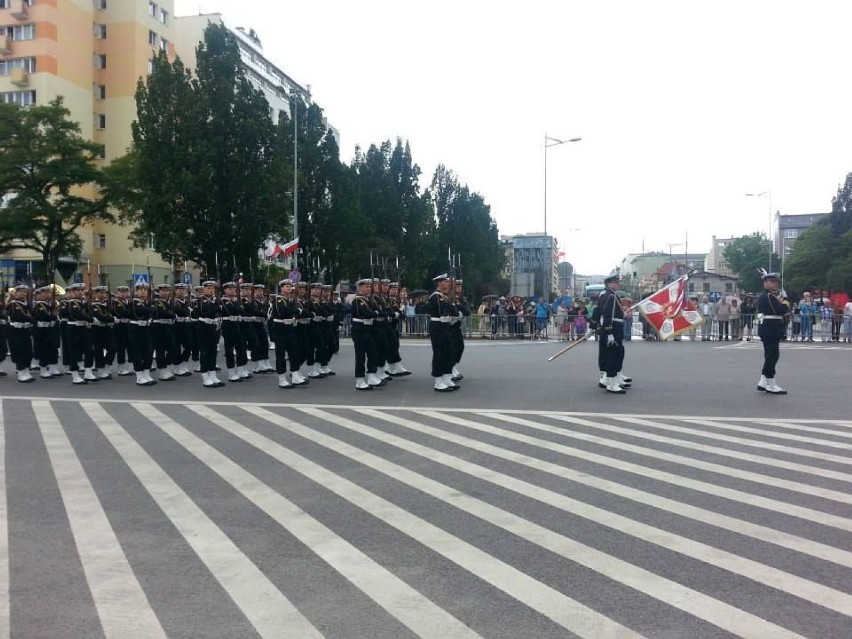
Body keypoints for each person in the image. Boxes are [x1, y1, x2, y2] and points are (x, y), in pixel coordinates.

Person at [591, 273, 630, 393]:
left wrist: (623, 314)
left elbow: (602, 312)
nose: (618, 284)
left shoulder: (609, 295)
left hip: (614, 327)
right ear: (609, 283)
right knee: (613, 356)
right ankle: (611, 384)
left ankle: (610, 380)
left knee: (617, 353)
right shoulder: (610, 296)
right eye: (616, 282)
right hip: (612, 328)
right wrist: (609, 333)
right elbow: (606, 315)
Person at [756, 271, 788, 394]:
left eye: (775, 281)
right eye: (772, 281)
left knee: (770, 356)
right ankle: (770, 383)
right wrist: (784, 300)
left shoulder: (770, 296)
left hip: (769, 328)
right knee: (772, 356)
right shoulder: (768, 296)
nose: (775, 283)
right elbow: (780, 310)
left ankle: (763, 381)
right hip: (770, 329)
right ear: (765, 283)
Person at [427, 273, 458, 392]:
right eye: (445, 281)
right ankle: (438, 381)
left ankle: (446, 377)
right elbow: (450, 309)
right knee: (439, 354)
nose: (448, 284)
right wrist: (453, 307)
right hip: (437, 327)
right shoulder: (436, 296)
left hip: (445, 326)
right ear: (439, 283)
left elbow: (452, 310)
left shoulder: (444, 296)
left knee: (449, 353)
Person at [350, 278, 380, 390]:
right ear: (360, 288)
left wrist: (375, 312)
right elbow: (366, 313)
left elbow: (378, 311)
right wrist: (374, 313)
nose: (368, 289)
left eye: (369, 287)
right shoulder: (358, 300)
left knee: (373, 353)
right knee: (360, 356)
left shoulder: (368, 300)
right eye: (366, 287)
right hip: (359, 329)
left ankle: (372, 375)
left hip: (368, 329)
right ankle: (360, 380)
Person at [196, 280, 224, 388]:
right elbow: (207, 310)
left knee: (213, 352)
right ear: (203, 289)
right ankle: (205, 376)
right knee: (204, 352)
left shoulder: (216, 300)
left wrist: (215, 305)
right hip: (203, 326)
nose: (211, 290)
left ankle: (212, 374)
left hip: (214, 326)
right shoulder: (200, 300)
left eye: (213, 288)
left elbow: (219, 311)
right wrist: (214, 306)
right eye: (208, 288)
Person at [6, 285, 35, 383]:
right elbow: (20, 316)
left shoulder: (26, 303)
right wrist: (33, 320)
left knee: (28, 351)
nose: (23, 294)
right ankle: (21, 373)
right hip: (16, 330)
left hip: (25, 330)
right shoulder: (14, 304)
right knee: (19, 352)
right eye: (20, 292)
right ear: (15, 293)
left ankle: (26, 371)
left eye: (24, 292)